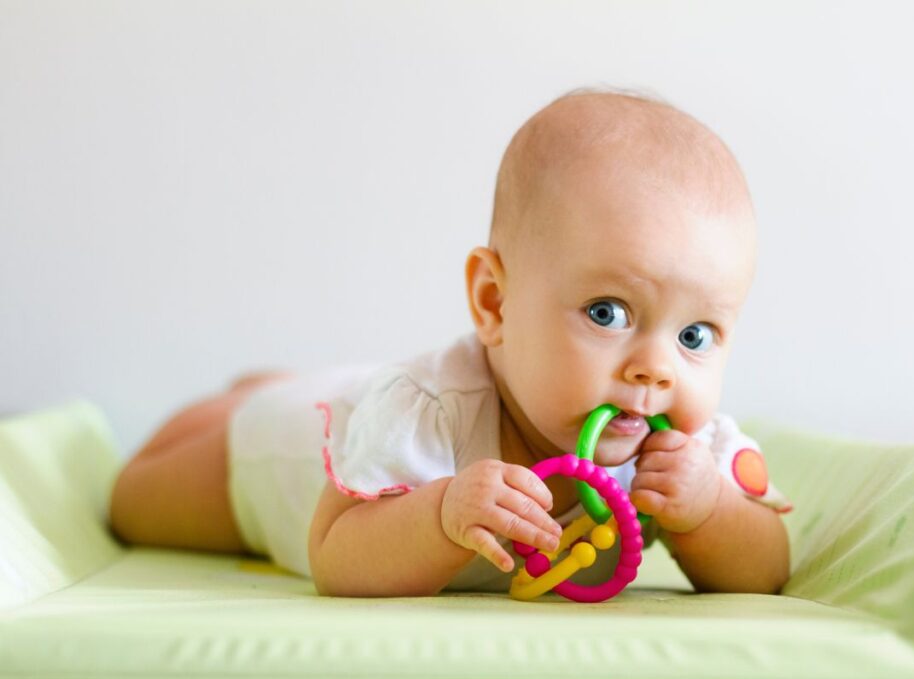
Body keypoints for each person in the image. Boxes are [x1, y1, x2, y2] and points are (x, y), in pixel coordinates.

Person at [109, 88, 792, 598]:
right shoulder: (429, 413)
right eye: (608, 312)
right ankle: (254, 395)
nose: (655, 367)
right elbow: (333, 552)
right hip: (286, 456)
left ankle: (282, 381)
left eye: (695, 335)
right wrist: (439, 514)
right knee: (133, 500)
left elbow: (768, 567)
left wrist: (709, 512)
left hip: (367, 391)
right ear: (494, 303)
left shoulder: (687, 456)